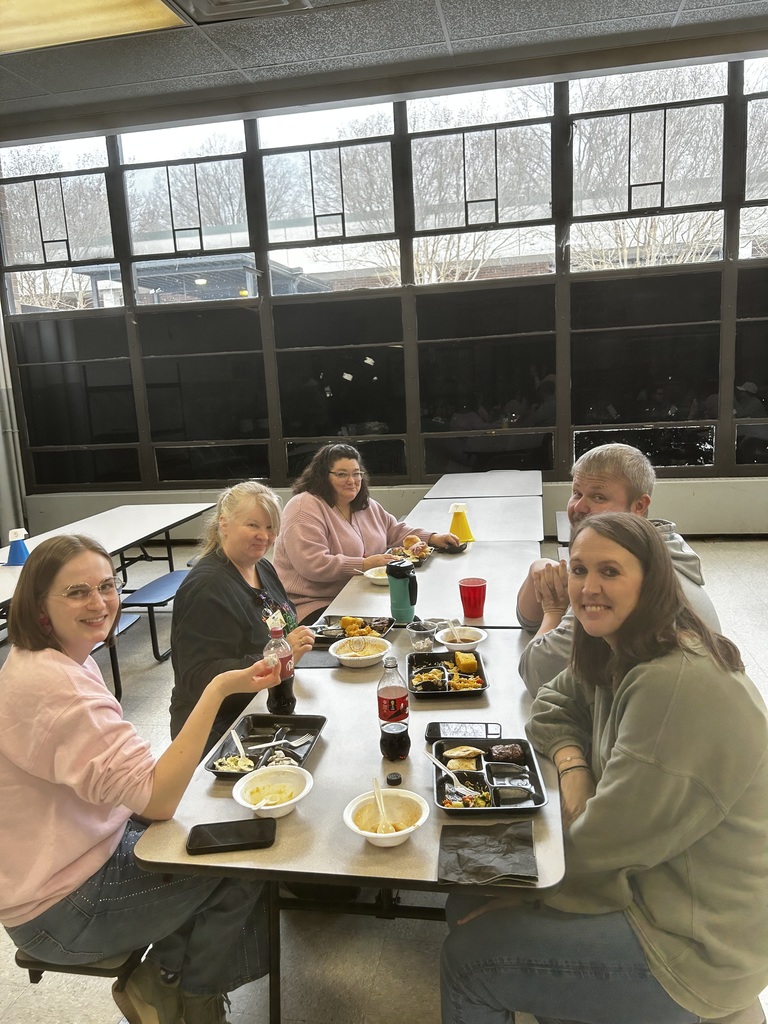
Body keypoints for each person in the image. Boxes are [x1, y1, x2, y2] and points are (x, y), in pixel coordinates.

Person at [442, 512, 768, 1024]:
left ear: (652, 580)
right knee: (466, 897)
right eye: (578, 570)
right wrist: (574, 770)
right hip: (652, 886)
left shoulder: (674, 683)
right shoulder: (621, 644)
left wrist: (536, 897)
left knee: (468, 957)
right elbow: (552, 701)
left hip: (693, 943)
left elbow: (607, 842)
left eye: (610, 572)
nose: (588, 587)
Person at [0, 534, 281, 1024]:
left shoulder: (53, 660)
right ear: (38, 607)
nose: (100, 602)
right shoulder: (62, 691)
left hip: (81, 855)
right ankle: (191, 1001)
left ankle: (166, 978)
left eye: (107, 585)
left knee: (219, 823)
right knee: (251, 860)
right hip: (65, 907)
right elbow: (156, 800)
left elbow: (130, 783)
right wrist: (216, 689)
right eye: (76, 591)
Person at [516, 442, 720, 696]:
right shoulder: (651, 546)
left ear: (639, 506)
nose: (580, 507)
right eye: (577, 493)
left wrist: (553, 610)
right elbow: (527, 621)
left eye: (598, 497)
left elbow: (538, 672)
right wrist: (539, 569)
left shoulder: (633, 579)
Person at [170, 480, 316, 750]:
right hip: (218, 726)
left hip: (267, 699)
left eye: (271, 527)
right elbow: (197, 678)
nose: (264, 536)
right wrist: (276, 658)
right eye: (253, 525)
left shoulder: (261, 567)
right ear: (224, 524)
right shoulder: (207, 588)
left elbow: (282, 626)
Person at [272, 442, 460, 624]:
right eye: (341, 474)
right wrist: (365, 564)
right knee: (396, 627)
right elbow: (313, 564)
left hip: (359, 594)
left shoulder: (364, 504)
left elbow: (393, 530)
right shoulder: (303, 507)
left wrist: (433, 538)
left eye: (356, 474)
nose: (351, 481)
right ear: (322, 476)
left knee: (411, 619)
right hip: (315, 606)